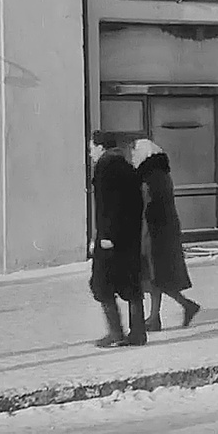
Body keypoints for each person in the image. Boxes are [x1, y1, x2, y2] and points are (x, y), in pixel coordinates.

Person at [130, 139, 201, 332]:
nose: (133, 156)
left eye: (135, 151)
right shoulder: (159, 174)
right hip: (160, 230)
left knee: (154, 274)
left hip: (153, 232)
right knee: (156, 275)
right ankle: (165, 313)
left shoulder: (150, 176)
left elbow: (148, 204)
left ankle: (162, 315)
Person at [88, 131, 147, 348]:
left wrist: (106, 235)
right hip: (130, 238)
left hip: (111, 239)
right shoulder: (126, 166)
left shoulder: (106, 168)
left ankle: (116, 333)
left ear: (101, 147)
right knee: (131, 284)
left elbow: (108, 205)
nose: (90, 153)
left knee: (101, 284)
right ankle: (138, 332)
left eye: (92, 148)